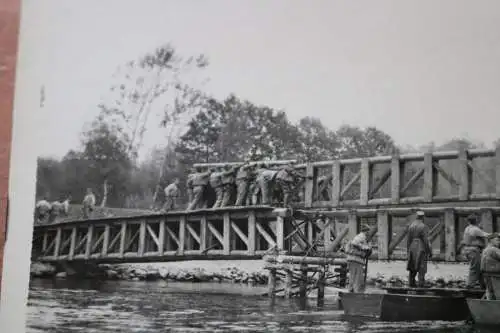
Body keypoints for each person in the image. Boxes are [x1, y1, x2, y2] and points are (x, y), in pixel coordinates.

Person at [459, 214, 489, 289]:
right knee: (475, 268)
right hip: (474, 250)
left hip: (468, 250)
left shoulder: (467, 228)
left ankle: (483, 285)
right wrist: (497, 235)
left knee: (479, 267)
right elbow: (487, 235)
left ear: (468, 221)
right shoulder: (475, 229)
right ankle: (469, 285)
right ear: (476, 220)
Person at [406, 210, 432, 287]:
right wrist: (429, 251)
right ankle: (421, 284)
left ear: (416, 217)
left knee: (412, 266)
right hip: (421, 247)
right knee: (421, 267)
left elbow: (408, 240)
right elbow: (426, 241)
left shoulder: (411, 226)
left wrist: (408, 250)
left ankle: (411, 283)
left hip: (412, 246)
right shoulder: (424, 227)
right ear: (423, 217)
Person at [345, 224, 372, 293]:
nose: (369, 233)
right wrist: (365, 248)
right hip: (356, 260)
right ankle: (356, 292)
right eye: (368, 231)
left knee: (353, 276)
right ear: (366, 231)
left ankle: (351, 291)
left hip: (354, 260)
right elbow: (354, 243)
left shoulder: (362, 237)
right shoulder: (361, 236)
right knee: (357, 278)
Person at [481, 233, 500, 300]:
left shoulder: (485, 249)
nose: (499, 242)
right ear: (491, 240)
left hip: (486, 274)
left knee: (490, 292)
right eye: (497, 240)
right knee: (498, 292)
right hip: (495, 275)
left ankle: (490, 307)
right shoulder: (494, 249)